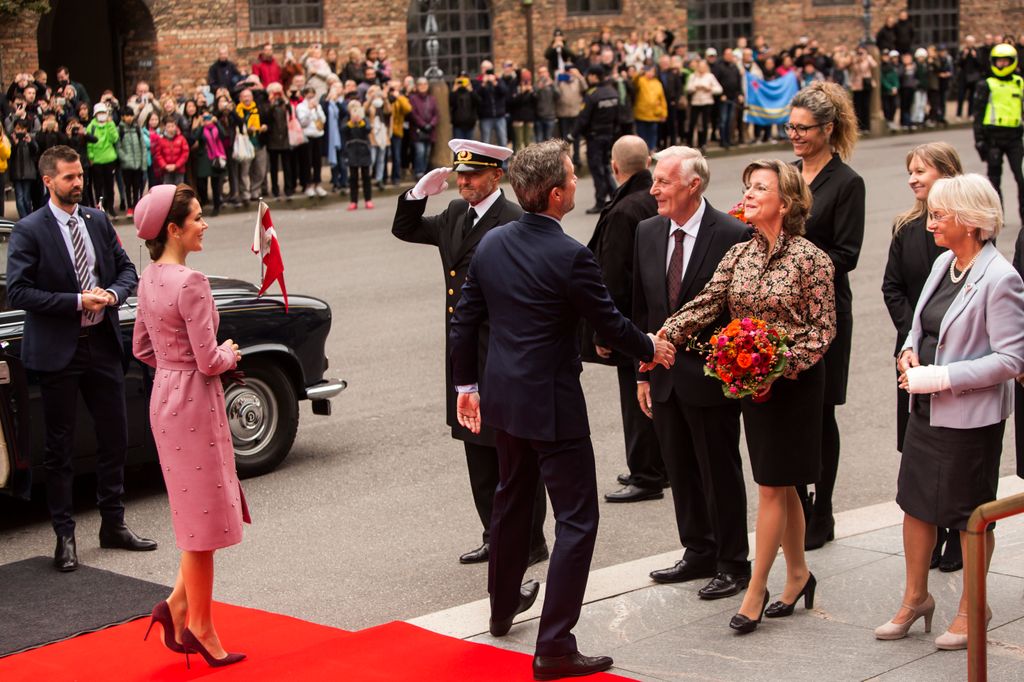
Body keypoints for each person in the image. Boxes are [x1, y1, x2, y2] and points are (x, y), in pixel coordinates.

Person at [449, 139, 675, 679]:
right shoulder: (571, 254)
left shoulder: (493, 244)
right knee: (577, 519)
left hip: (504, 396)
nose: (578, 184)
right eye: (573, 178)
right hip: (551, 403)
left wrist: (466, 386)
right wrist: (652, 347)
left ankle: (502, 609)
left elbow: (464, 320)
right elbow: (610, 324)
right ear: (555, 194)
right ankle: (554, 644)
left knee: (510, 501)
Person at [660, 159, 835, 633]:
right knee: (782, 483)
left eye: (762, 187)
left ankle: (756, 589)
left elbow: (822, 331)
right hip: (752, 384)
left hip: (793, 386)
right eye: (749, 186)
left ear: (788, 202)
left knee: (771, 486)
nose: (751, 193)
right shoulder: (740, 253)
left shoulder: (812, 259)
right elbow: (708, 302)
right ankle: (798, 574)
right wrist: (661, 338)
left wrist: (779, 367)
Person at [877, 174, 1024, 649]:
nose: (931, 222)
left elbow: (1011, 359)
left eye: (940, 215)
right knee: (915, 505)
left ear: (971, 221)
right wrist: (907, 353)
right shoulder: (944, 263)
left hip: (970, 419)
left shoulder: (1001, 277)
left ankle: (972, 609)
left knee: (967, 515)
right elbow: (920, 326)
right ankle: (915, 599)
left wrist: (943, 376)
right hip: (925, 408)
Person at [392, 139, 548, 566]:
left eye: (473, 175)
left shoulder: (514, 219)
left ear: (497, 176)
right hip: (463, 352)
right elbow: (406, 230)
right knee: (477, 448)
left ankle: (531, 541)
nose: (464, 182)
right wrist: (415, 197)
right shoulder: (456, 213)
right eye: (460, 175)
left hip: (501, 352)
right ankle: (494, 533)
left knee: (513, 451)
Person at [7, 145, 154, 572]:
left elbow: (128, 270)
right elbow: (18, 291)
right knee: (60, 448)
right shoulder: (29, 230)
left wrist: (112, 294)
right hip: (58, 352)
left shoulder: (97, 219)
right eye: (70, 177)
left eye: (81, 175)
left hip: (102, 344)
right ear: (48, 181)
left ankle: (114, 524)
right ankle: (64, 536)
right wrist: (76, 300)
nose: (79, 182)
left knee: (115, 437)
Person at [132, 184, 249, 667]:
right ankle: (199, 625)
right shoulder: (191, 281)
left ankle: (177, 606)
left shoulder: (149, 277)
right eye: (197, 218)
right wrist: (231, 352)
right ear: (174, 229)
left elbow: (141, 348)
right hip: (195, 403)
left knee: (194, 515)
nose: (205, 224)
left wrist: (171, 364)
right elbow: (208, 360)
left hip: (165, 398)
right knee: (201, 525)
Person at [635, 146, 752, 599]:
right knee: (680, 469)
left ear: (693, 185)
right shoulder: (648, 231)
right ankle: (697, 550)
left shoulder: (731, 232)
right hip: (661, 376)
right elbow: (641, 307)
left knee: (718, 469)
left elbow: (737, 310)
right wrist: (641, 374)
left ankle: (732, 561)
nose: (654, 189)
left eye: (663, 181)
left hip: (710, 377)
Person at [788, 81, 865, 551]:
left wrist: (795, 264)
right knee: (790, 408)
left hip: (826, 310)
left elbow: (847, 253)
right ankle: (795, 503)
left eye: (803, 128)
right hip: (783, 312)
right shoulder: (789, 173)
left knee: (820, 412)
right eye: (790, 127)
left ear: (828, 129)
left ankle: (825, 508)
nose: (795, 136)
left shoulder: (847, 182)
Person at [882, 143, 965, 573]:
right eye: (910, 172)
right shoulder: (905, 227)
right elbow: (891, 286)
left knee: (951, 446)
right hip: (912, 353)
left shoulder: (968, 229)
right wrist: (911, 332)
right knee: (916, 446)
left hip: (953, 353)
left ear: (948, 174)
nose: (913, 178)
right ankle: (928, 532)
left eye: (921, 171)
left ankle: (955, 533)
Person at [583, 135, 665, 503]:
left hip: (631, 317)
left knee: (636, 398)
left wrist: (604, 331)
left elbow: (612, 276)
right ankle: (660, 467)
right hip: (662, 308)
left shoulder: (622, 210)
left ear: (615, 168)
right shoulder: (659, 196)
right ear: (648, 162)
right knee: (657, 393)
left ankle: (645, 474)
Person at [972, 43, 1024, 228]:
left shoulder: (1020, 82)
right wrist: (978, 139)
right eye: (999, 61)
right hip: (993, 137)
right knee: (994, 180)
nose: (1002, 65)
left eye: (1005, 61)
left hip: (1015, 138)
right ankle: (996, 218)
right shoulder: (986, 84)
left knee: (1022, 177)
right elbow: (977, 114)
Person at [574, 65, 620, 214]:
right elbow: (619, 116)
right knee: (606, 167)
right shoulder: (612, 92)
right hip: (609, 135)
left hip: (595, 137)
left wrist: (572, 135)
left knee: (597, 169)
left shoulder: (592, 94)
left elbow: (583, 118)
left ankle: (601, 201)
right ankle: (616, 198)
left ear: (594, 76)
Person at [295, 86, 327, 197]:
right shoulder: (300, 107)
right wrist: (309, 110)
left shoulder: (318, 106)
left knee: (317, 161)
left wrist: (317, 110)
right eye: (309, 96)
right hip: (307, 137)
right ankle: (308, 185)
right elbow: (303, 122)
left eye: (313, 96)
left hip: (318, 135)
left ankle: (318, 184)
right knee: (307, 162)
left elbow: (323, 120)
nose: (311, 98)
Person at [685, 60, 722, 152]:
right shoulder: (693, 76)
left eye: (703, 67)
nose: (701, 68)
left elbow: (719, 89)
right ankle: (690, 142)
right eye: (700, 67)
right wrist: (695, 87)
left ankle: (703, 143)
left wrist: (709, 89)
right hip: (696, 102)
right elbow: (688, 88)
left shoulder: (710, 76)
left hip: (707, 102)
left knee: (704, 123)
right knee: (692, 122)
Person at [116, 107, 147, 217]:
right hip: (126, 165)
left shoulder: (137, 129)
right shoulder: (119, 129)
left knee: (137, 186)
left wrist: (143, 162)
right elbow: (118, 147)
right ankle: (129, 207)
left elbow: (142, 146)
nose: (129, 118)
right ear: (123, 117)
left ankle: (137, 205)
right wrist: (124, 158)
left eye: (131, 115)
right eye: (127, 115)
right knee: (128, 186)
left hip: (138, 163)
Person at [342, 100, 373, 210]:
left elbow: (368, 129)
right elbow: (343, 130)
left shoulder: (365, 120)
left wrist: (360, 122)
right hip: (352, 151)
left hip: (364, 150)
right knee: (353, 177)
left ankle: (368, 200)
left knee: (366, 177)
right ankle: (353, 201)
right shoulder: (346, 120)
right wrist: (351, 122)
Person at [408, 78, 439, 180]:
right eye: (420, 84)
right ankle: (418, 172)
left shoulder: (432, 99)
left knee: (427, 152)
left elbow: (436, 114)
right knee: (420, 152)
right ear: (417, 86)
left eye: (425, 84)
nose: (423, 86)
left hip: (430, 131)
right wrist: (423, 124)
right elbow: (413, 114)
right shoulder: (413, 98)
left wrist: (431, 124)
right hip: (418, 131)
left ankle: (424, 172)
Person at [632, 65, 667, 152]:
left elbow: (662, 99)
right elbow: (634, 81)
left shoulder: (658, 83)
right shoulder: (640, 80)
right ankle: (643, 152)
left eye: (652, 71)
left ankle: (652, 151)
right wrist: (639, 73)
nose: (650, 73)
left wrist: (664, 113)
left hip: (654, 114)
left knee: (653, 135)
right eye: (649, 71)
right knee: (642, 135)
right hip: (641, 114)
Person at [153, 116, 189, 186]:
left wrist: (176, 165)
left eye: (172, 126)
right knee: (168, 190)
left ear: (176, 127)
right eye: (168, 126)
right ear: (165, 128)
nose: (170, 129)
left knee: (179, 189)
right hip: (166, 170)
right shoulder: (161, 140)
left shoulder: (181, 138)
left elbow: (185, 153)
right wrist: (165, 166)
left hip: (179, 169)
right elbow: (158, 154)